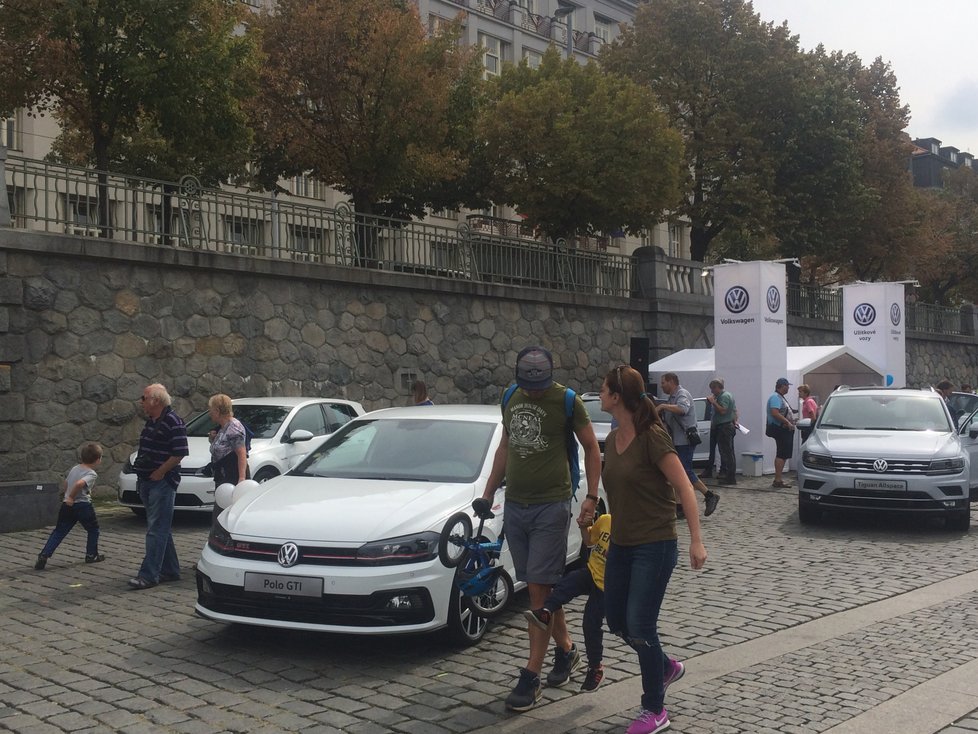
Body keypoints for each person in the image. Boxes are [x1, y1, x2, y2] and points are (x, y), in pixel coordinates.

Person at [475, 345, 601, 712]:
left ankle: (530, 677)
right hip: (516, 505)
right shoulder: (510, 396)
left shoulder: (567, 401)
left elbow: (592, 447)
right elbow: (506, 445)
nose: (532, 392)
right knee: (539, 588)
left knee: (537, 595)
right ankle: (566, 652)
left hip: (551, 505)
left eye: (538, 386)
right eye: (527, 386)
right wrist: (486, 493)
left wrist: (591, 496)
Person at [600, 365, 707, 734]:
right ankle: (664, 666)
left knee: (641, 623)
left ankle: (654, 709)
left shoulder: (652, 437)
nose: (599, 396)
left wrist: (695, 539)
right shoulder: (613, 439)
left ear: (617, 397)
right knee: (616, 620)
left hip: (655, 544)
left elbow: (685, 487)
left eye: (603, 390)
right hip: (621, 544)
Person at [523, 512, 611, 694]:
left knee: (590, 624)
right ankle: (546, 611)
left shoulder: (633, 533)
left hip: (608, 586)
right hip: (591, 572)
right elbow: (589, 542)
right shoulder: (606, 520)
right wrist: (582, 526)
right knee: (567, 583)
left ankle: (596, 668)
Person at [129, 383, 189, 590]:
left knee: (156, 530)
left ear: (155, 400)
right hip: (147, 480)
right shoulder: (152, 421)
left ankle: (148, 575)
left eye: (144, 398)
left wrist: (160, 471)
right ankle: (170, 570)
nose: (141, 401)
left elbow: (180, 452)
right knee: (161, 527)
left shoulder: (173, 421)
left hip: (162, 482)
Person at [656, 372, 720, 517]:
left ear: (671, 382)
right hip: (676, 441)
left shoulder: (682, 394)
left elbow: (682, 409)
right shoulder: (671, 398)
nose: (661, 386)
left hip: (685, 441)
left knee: (685, 471)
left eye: (663, 383)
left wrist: (663, 407)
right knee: (677, 473)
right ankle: (680, 507)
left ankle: (709, 495)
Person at [35, 442, 105, 570]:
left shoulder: (75, 468)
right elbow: (79, 484)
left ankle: (44, 554)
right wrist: (72, 497)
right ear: (97, 460)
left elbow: (66, 482)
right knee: (93, 529)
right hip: (82, 505)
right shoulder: (91, 474)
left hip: (67, 505)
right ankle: (91, 554)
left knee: (60, 530)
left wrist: (66, 496)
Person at [207, 393, 249, 522]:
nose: (209, 413)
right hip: (223, 475)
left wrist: (241, 479)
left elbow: (241, 454)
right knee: (220, 511)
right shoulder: (222, 427)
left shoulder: (233, 428)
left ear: (218, 411)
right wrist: (213, 439)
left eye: (211, 409)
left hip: (232, 476)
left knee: (225, 513)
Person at [705, 378, 738, 485]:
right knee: (729, 452)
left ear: (717, 387)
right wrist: (735, 420)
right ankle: (730, 476)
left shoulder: (723, 396)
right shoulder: (727, 395)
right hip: (726, 426)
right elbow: (734, 410)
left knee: (727, 453)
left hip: (724, 427)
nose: (711, 391)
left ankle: (730, 477)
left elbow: (723, 410)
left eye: (712, 389)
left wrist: (713, 402)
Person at [766, 377, 796, 488]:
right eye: (787, 386)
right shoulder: (775, 397)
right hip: (780, 429)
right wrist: (787, 422)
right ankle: (777, 479)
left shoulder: (780, 397)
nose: (788, 388)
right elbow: (775, 413)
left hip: (784, 429)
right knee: (781, 454)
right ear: (782, 386)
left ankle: (778, 479)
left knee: (783, 454)